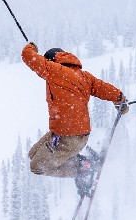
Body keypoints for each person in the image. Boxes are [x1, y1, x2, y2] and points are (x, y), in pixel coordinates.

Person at [21, 42, 129, 196]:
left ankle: (82, 167)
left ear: (51, 61)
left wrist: (31, 47)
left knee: (37, 166)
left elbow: (28, 56)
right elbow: (103, 88)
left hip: (68, 137)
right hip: (68, 133)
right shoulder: (83, 76)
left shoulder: (55, 71)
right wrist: (120, 99)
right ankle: (78, 161)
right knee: (33, 154)